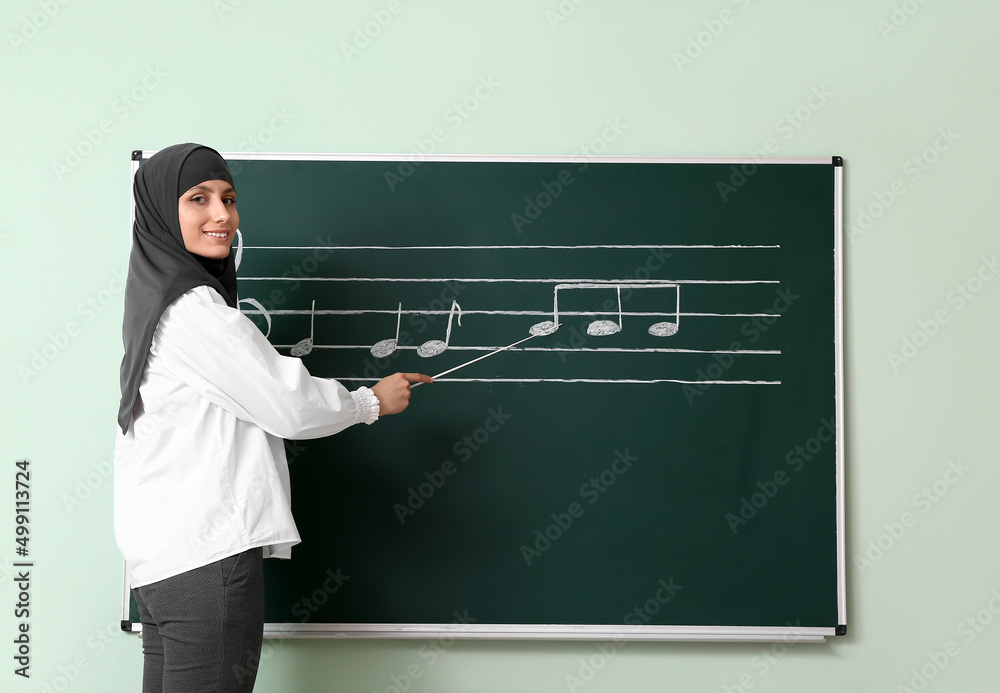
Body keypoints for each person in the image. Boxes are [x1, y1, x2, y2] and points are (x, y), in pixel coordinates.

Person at [113, 143, 431, 693]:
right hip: (206, 560)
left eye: (229, 198)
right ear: (163, 212)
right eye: (198, 199)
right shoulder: (195, 313)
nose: (222, 215)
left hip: (163, 561)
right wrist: (369, 401)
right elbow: (289, 404)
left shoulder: (154, 303)